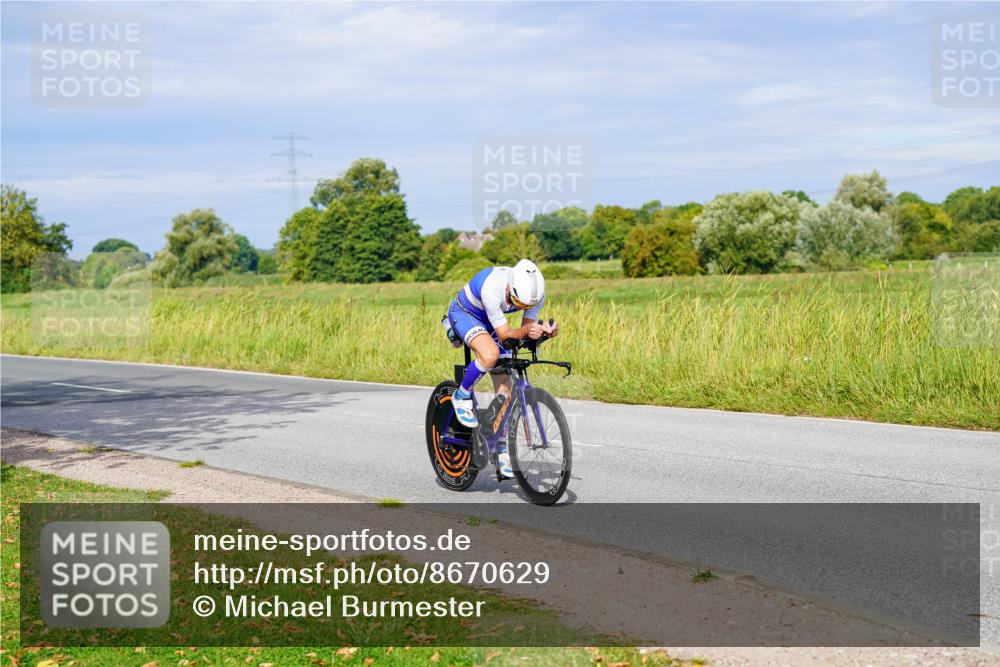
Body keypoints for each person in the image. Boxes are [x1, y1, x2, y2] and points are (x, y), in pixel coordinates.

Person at [444, 258, 558, 478]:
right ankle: (461, 395)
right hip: (467, 314)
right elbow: (506, 335)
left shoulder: (536, 295)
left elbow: (525, 331)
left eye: (527, 307)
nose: (523, 309)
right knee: (490, 355)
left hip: (494, 321)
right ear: (510, 289)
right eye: (519, 304)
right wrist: (526, 332)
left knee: (506, 389)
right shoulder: (492, 288)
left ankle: (500, 449)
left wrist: (543, 332)